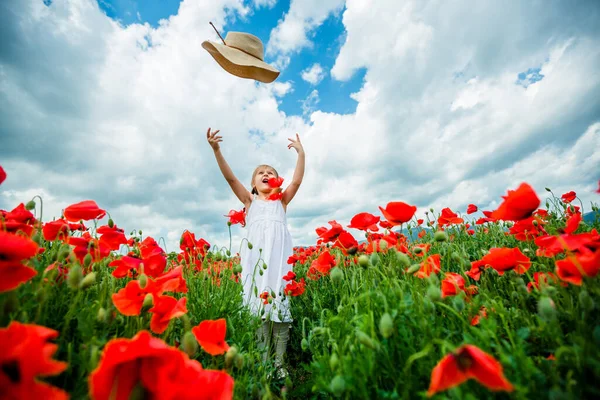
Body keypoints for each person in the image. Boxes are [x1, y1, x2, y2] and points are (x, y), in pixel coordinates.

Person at [206, 127, 305, 377]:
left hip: (279, 260)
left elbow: (296, 181)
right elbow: (230, 179)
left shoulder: (282, 202)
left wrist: (301, 154)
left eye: (270, 172)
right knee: (257, 306)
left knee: (279, 304)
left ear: (277, 180)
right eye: (260, 172)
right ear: (253, 184)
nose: (266, 173)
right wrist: (217, 150)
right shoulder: (250, 203)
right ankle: (262, 359)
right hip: (255, 259)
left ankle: (279, 362)